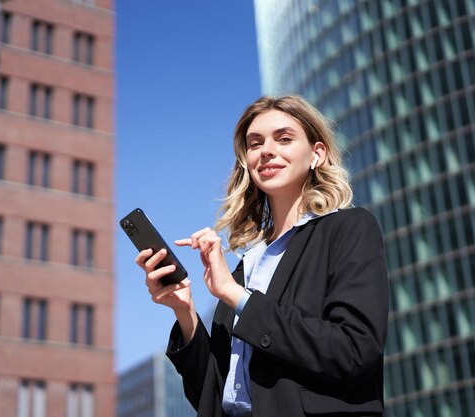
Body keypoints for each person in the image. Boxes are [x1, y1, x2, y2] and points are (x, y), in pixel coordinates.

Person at [135, 95, 389, 417]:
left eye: (284, 139)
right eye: (255, 144)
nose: (266, 150)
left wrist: (236, 296)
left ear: (317, 154)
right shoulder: (248, 265)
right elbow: (213, 397)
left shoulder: (349, 229)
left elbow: (354, 350)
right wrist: (185, 312)